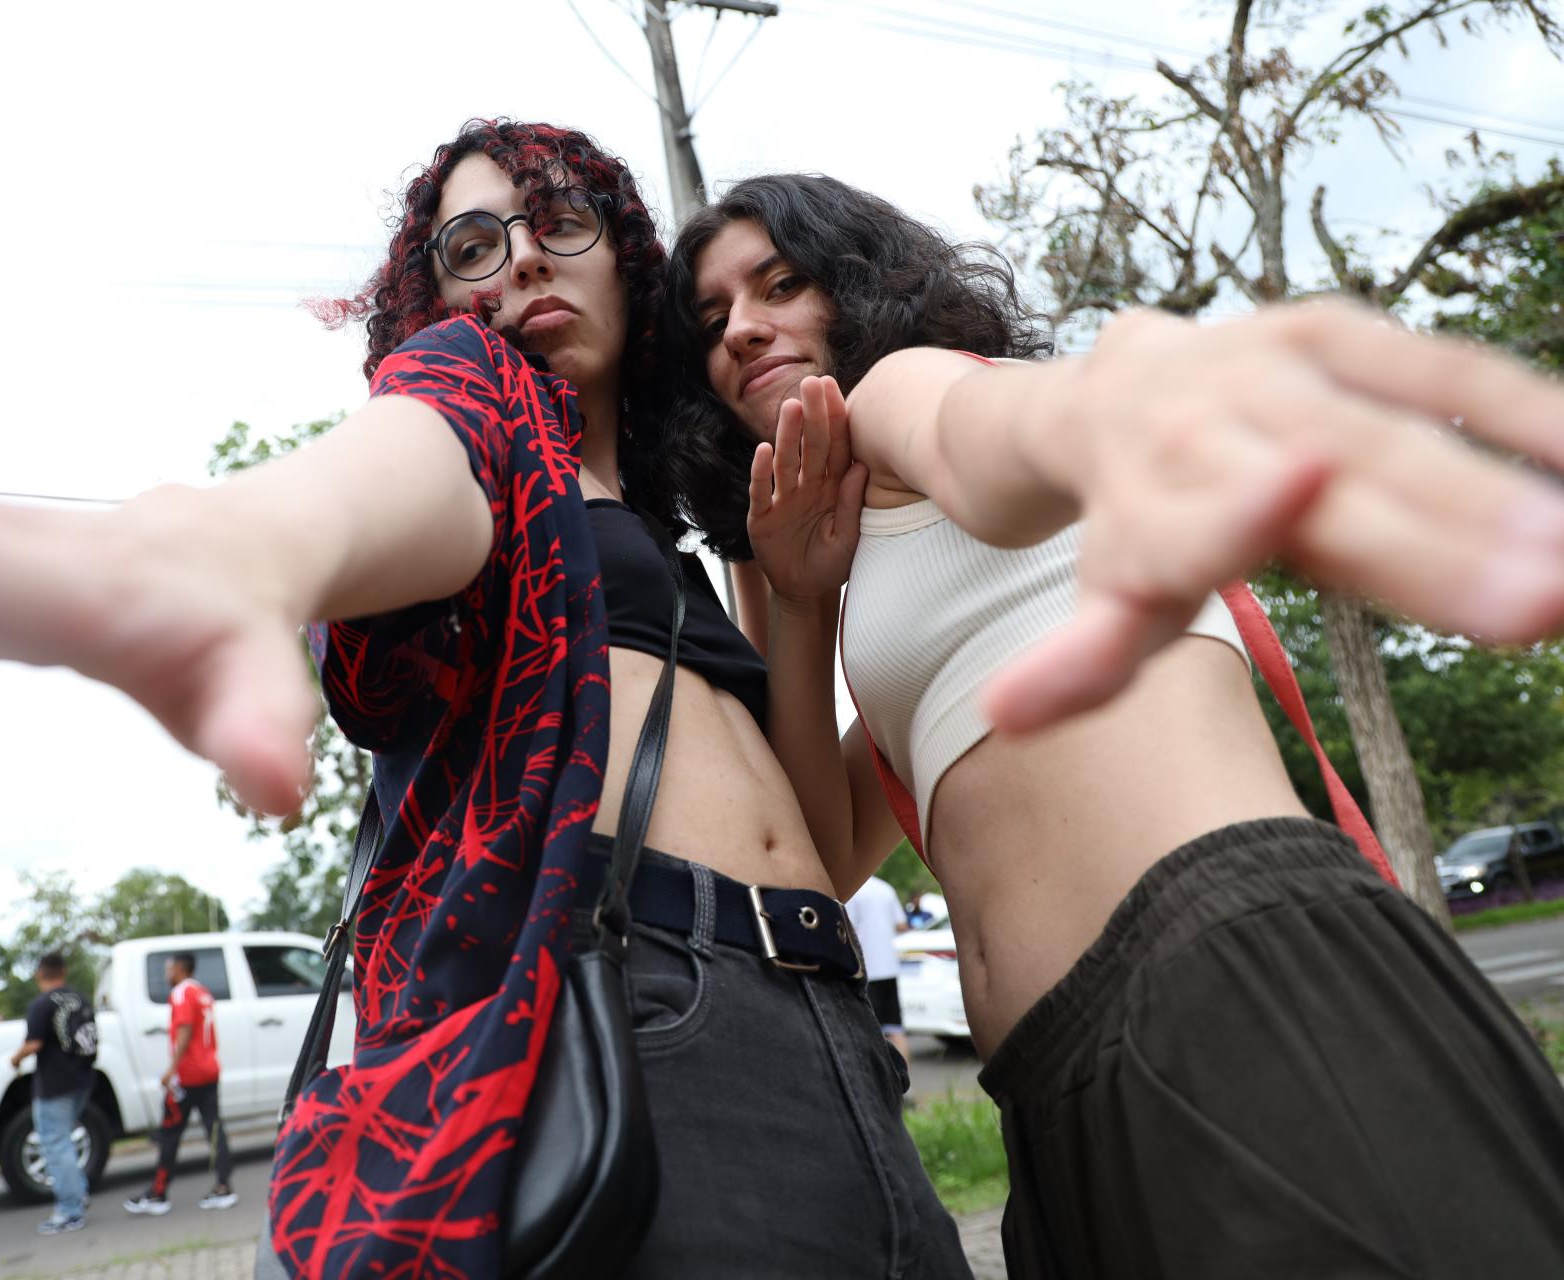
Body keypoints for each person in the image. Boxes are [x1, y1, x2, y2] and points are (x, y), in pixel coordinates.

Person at [0, 119, 970, 1280]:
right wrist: (197, 551)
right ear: (439, 301)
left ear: (625, 256)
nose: (518, 256)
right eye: (471, 244)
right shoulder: (478, 409)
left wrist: (806, 604)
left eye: (558, 218)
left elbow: (828, 836)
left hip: (825, 1020)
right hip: (653, 1025)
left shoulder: (689, 539)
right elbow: (369, 478)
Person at [663, 171, 1564, 1277]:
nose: (745, 330)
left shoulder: (905, 388)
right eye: (712, 323)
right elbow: (819, 855)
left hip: (1214, 979)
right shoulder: (860, 571)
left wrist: (1117, 405)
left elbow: (988, 435)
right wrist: (796, 604)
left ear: (856, 287)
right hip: (1051, 1091)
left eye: (779, 284)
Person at [124, 953, 235, 1216]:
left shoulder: (182, 993)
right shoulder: (201, 991)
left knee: (170, 1132)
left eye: (169, 968)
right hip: (209, 1068)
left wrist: (172, 1068)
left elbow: (184, 1029)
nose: (166, 974)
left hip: (188, 1074)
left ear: (179, 968)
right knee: (214, 1128)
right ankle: (224, 1185)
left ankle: (158, 1193)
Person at [11, 950, 98, 1234]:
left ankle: (69, 1210)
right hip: (83, 1080)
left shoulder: (41, 1004)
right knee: (66, 1142)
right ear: (64, 971)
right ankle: (79, 1193)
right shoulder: (81, 998)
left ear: (40, 974)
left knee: (54, 1144)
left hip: (54, 1085)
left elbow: (34, 1043)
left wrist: (15, 1058)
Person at [845, 873, 912, 1066]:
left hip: (866, 969)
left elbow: (848, 928)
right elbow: (901, 924)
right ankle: (906, 1089)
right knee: (896, 1029)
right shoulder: (886, 889)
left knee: (868, 1031)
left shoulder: (852, 889)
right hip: (889, 968)